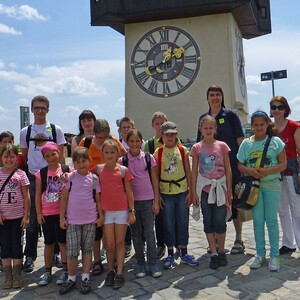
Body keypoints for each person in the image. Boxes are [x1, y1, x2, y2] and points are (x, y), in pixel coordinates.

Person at [196, 85, 245, 254]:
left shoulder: (230, 115)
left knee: (234, 202)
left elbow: (240, 140)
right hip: (210, 173)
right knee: (212, 206)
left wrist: (243, 163)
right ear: (207, 98)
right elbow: (198, 145)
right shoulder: (204, 118)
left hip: (231, 166)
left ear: (222, 97)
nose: (215, 98)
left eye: (218, 94)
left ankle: (238, 238)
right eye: (212, 95)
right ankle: (216, 242)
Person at [20, 95, 65, 272]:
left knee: (52, 216)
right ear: (32, 110)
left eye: (43, 107)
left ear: (48, 109)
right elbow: (24, 156)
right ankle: (30, 255)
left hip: (52, 177)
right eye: (37, 107)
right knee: (32, 218)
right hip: (32, 177)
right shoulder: (26, 132)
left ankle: (54, 253)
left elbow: (60, 155)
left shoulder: (56, 130)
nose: (40, 110)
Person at [237, 111, 286, 271]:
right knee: (258, 221)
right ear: (252, 126)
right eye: (256, 125)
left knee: (271, 220)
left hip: (272, 185)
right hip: (254, 187)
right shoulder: (246, 143)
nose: (259, 127)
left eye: (262, 124)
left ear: (267, 125)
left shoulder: (276, 142)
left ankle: (274, 255)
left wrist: (267, 171)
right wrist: (251, 172)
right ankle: (260, 254)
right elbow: (240, 164)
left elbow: (283, 164)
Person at [79, 119, 126, 276]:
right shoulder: (86, 142)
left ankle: (111, 259)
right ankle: (97, 260)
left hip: (111, 188)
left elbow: (124, 157)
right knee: (96, 228)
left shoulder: (113, 141)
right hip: (92, 188)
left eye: (105, 137)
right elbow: (79, 160)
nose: (102, 140)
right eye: (99, 137)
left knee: (108, 227)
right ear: (94, 134)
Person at [154, 121, 198, 269]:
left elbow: (189, 172)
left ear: (176, 135)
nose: (170, 137)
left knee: (183, 221)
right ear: (162, 135)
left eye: (172, 134)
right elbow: (155, 176)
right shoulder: (158, 152)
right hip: (166, 192)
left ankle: (184, 251)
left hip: (182, 191)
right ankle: (171, 252)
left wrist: (191, 192)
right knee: (168, 223)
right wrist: (157, 195)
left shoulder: (182, 150)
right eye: (167, 134)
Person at [59, 146, 103, 295]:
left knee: (87, 249)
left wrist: (101, 216)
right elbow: (63, 198)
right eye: (78, 162)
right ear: (74, 164)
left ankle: (85, 277)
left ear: (89, 161)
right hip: (72, 221)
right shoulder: (70, 178)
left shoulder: (94, 179)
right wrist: (62, 218)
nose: (81, 164)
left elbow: (98, 200)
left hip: (90, 220)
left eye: (84, 160)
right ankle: (71, 278)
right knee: (71, 252)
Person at [92, 139, 135, 289]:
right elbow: (82, 172)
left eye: (112, 152)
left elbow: (129, 192)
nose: (109, 155)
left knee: (120, 243)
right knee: (109, 244)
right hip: (106, 212)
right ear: (102, 154)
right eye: (106, 152)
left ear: (117, 153)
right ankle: (110, 270)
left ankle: (120, 272)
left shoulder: (123, 170)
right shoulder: (98, 169)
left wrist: (131, 210)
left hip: (122, 210)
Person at [191, 115, 232, 269]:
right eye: (205, 128)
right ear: (201, 130)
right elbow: (194, 171)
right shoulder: (197, 148)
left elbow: (228, 169)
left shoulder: (222, 146)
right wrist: (194, 191)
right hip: (205, 189)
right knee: (208, 220)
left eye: (211, 128)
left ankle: (222, 251)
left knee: (220, 221)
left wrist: (229, 189)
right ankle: (213, 253)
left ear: (215, 129)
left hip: (220, 188)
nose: (208, 131)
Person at [119, 129, 161, 278]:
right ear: (127, 142)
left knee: (149, 233)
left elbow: (155, 180)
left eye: (137, 141)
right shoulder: (122, 161)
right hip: (132, 204)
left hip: (148, 200)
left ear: (141, 142)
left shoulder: (149, 158)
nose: (135, 144)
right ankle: (140, 263)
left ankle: (152, 262)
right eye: (132, 141)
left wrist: (156, 200)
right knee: (136, 234)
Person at [35, 142, 70, 286]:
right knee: (48, 243)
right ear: (44, 158)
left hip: (63, 213)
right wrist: (38, 213)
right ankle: (47, 271)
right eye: (47, 156)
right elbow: (37, 195)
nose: (51, 158)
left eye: (53, 154)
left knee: (63, 243)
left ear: (59, 153)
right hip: (47, 212)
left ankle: (66, 270)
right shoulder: (41, 173)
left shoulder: (67, 170)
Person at [270, 96, 300, 255]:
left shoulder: (294, 126)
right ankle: (289, 243)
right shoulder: (270, 128)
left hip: (292, 171)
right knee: (282, 210)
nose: (277, 110)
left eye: (280, 107)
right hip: (275, 173)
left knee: (297, 209)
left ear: (286, 109)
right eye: (274, 107)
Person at [0, 144, 30, 289]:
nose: (9, 159)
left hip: (18, 217)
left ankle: (17, 274)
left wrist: (27, 215)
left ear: (17, 158)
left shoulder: (21, 174)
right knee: (4, 246)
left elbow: (26, 196)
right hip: (3, 218)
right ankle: (8, 276)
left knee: (17, 246)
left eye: (12, 156)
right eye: (6, 156)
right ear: (1, 158)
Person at [144, 111, 168, 259]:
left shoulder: (172, 140)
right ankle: (160, 245)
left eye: (162, 123)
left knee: (172, 216)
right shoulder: (149, 144)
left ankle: (176, 243)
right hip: (156, 185)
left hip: (172, 185)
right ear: (153, 125)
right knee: (158, 217)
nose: (159, 126)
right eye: (157, 123)